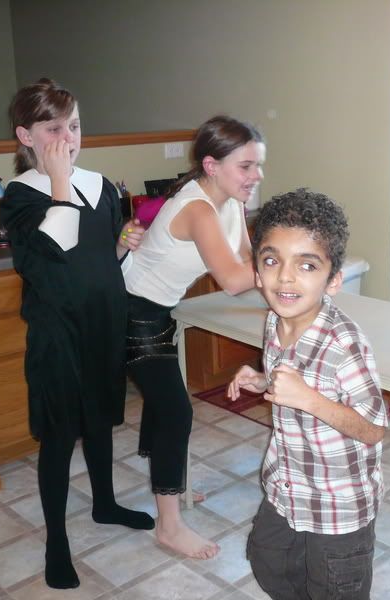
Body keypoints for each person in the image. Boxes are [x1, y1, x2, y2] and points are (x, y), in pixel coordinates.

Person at [0, 78, 153, 590]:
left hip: (103, 323)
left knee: (101, 419)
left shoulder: (102, 185)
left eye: (76, 126)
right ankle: (57, 543)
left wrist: (122, 245)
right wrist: (60, 182)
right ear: (26, 135)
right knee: (60, 434)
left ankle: (105, 504)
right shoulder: (21, 196)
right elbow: (56, 248)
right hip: (57, 333)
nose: (68, 138)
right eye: (53, 129)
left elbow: (97, 259)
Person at [228, 189, 388, 599]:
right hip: (288, 485)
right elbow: (286, 380)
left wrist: (309, 399)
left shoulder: (344, 345)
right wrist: (263, 381)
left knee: (334, 588)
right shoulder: (275, 320)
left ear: (333, 280)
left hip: (338, 508)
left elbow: (373, 429)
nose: (285, 277)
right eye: (272, 261)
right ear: (257, 271)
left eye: (307, 265)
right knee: (266, 558)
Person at [122, 115, 264, 559]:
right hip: (131, 312)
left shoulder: (229, 201)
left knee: (163, 403)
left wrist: (279, 288)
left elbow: (245, 258)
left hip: (158, 308)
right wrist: (287, 267)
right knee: (175, 411)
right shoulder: (198, 209)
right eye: (246, 166)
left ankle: (172, 487)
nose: (256, 176)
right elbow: (234, 279)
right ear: (211, 165)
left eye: (258, 165)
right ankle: (169, 526)